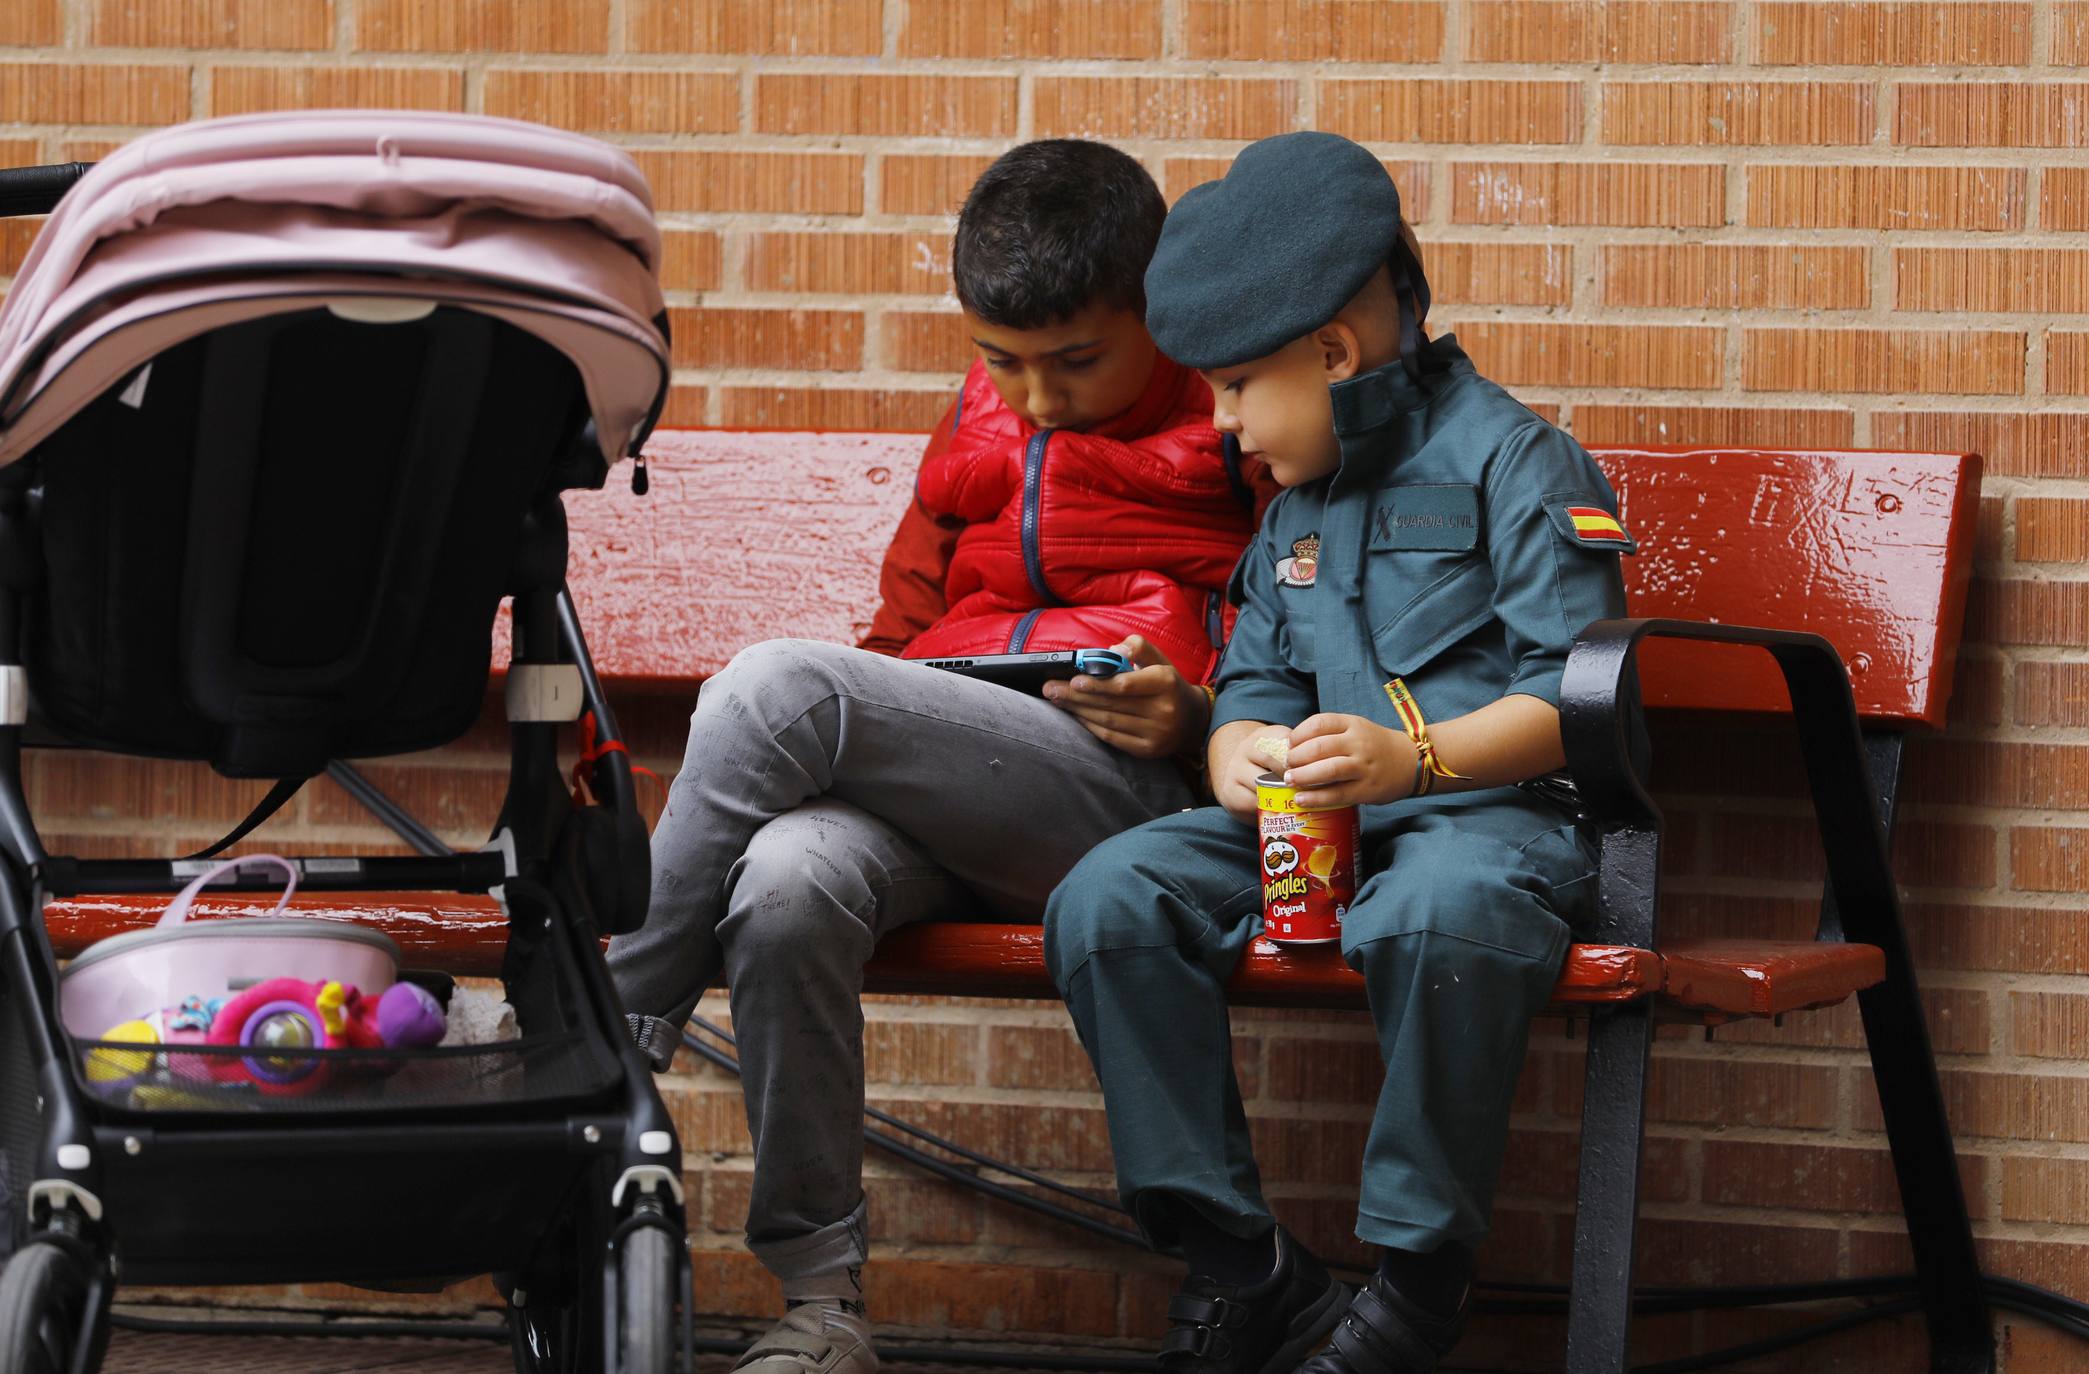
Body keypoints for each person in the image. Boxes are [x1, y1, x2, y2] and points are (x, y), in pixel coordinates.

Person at [606, 138, 1273, 1374]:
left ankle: (602, 1049)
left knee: (776, 683)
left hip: (1117, 800)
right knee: (786, 885)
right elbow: (900, 636)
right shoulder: (975, 423)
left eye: (1075, 360)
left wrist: (1196, 716)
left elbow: (1299, 630)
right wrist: (896, 714)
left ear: (1158, 308)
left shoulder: (1236, 413)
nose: (1033, 396)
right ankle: (822, 1307)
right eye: (999, 361)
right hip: (950, 788)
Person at [1043, 131, 1636, 1374]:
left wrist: (1409, 762)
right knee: (1112, 894)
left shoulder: (1516, 463)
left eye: (1236, 387)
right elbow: (1247, 687)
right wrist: (1241, 753)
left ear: (1332, 352)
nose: (1221, 423)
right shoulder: (1294, 507)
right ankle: (1239, 1264)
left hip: (1488, 832)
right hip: (1313, 836)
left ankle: (1416, 1296)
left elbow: (1580, 699)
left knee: (1440, 911)